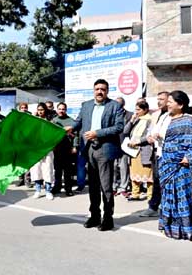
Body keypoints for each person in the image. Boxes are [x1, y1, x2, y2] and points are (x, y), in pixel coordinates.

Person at [72, 79, 125, 231]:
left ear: (107, 91)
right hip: (89, 149)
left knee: (106, 186)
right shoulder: (86, 105)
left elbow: (119, 127)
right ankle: (94, 216)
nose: (100, 92)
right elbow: (78, 122)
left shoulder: (114, 106)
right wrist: (70, 128)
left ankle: (108, 219)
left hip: (105, 150)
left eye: (103, 89)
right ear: (93, 90)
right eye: (97, 89)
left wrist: (98, 133)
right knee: (93, 186)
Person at [158, 90, 192, 240]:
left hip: (183, 169)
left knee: (184, 200)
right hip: (168, 167)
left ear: (180, 105)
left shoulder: (189, 121)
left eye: (170, 102)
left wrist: (189, 157)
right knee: (169, 199)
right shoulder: (168, 120)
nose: (167, 104)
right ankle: (172, 229)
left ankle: (189, 230)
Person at [140, 91, 171, 217]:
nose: (159, 101)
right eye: (158, 99)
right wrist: (149, 137)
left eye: (162, 99)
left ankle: (166, 207)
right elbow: (150, 131)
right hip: (156, 151)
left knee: (166, 181)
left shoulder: (173, 115)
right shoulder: (156, 114)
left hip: (168, 153)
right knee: (157, 180)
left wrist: (160, 136)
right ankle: (153, 206)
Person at [124, 100, 154, 201]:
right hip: (133, 151)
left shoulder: (150, 120)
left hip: (144, 150)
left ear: (145, 110)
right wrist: (132, 120)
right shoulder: (136, 119)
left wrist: (139, 141)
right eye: (135, 109)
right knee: (134, 172)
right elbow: (125, 131)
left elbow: (150, 135)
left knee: (148, 174)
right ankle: (135, 193)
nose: (136, 112)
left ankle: (150, 196)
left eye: (138, 110)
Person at [30, 103, 55, 200]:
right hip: (36, 149)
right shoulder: (33, 121)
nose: (40, 111)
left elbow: (54, 135)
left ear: (45, 110)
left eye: (42, 109)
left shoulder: (50, 121)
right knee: (36, 169)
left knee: (48, 169)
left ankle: (48, 191)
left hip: (47, 149)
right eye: (39, 109)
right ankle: (38, 190)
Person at [51, 102, 75, 197]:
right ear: (57, 110)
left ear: (66, 110)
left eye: (63, 109)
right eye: (59, 109)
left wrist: (74, 146)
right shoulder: (53, 120)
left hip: (67, 149)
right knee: (57, 170)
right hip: (57, 149)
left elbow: (76, 135)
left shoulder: (71, 121)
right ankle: (57, 187)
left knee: (67, 171)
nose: (61, 111)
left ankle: (68, 189)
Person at [114, 97, 133, 197]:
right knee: (112, 167)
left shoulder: (130, 115)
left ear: (123, 105)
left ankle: (123, 187)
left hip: (124, 144)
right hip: (112, 144)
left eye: (119, 105)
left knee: (123, 167)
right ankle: (113, 187)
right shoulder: (111, 114)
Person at [17, 102, 32, 187]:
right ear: (19, 109)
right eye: (22, 107)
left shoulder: (31, 117)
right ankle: (21, 179)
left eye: (25, 107)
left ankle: (27, 180)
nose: (24, 109)